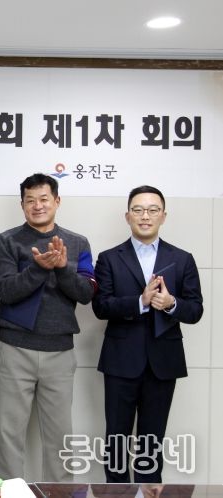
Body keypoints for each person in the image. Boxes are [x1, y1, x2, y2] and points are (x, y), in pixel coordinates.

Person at [92, 185, 203, 483]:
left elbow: (195, 310)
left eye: (153, 210)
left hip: (163, 362)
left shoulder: (183, 258)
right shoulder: (109, 258)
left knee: (152, 444)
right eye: (138, 210)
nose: (145, 216)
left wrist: (171, 303)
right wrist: (140, 302)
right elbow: (100, 307)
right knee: (116, 442)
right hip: (120, 362)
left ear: (163, 216)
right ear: (127, 216)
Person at [0, 173, 96, 482]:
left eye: (44, 199)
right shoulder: (6, 240)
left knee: (60, 438)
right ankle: (10, 491)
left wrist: (62, 269)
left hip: (59, 352)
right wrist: (39, 268)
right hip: (15, 349)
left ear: (57, 201)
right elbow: (7, 291)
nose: (37, 206)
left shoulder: (78, 243)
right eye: (30, 200)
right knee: (9, 434)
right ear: (22, 204)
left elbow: (86, 293)